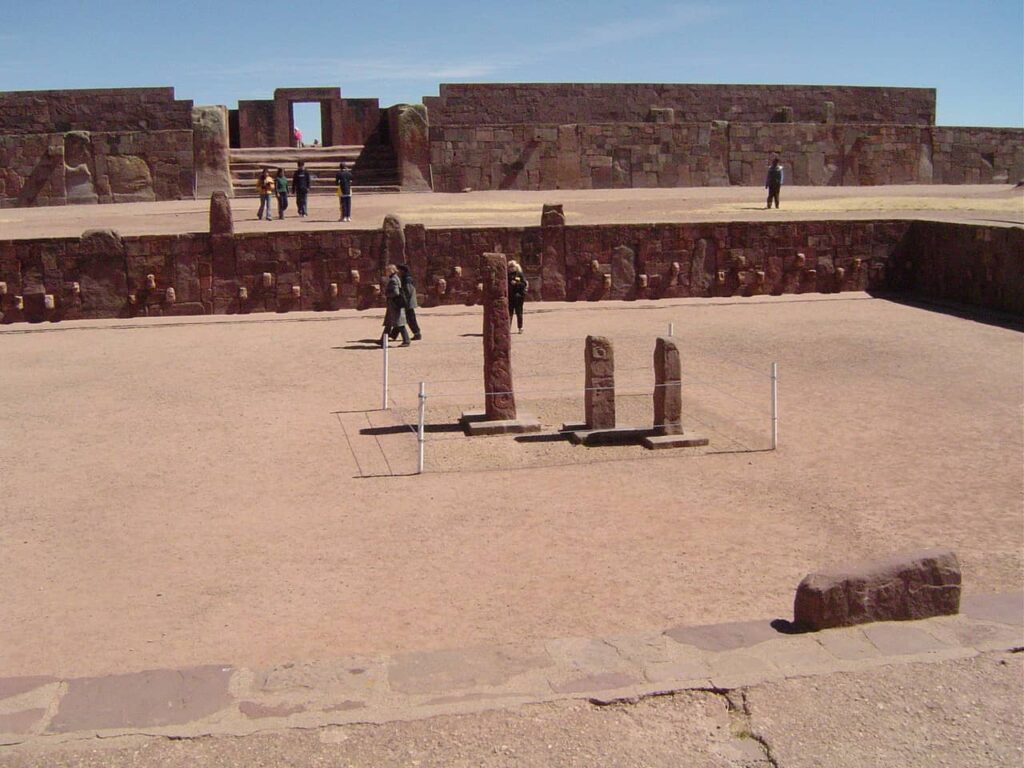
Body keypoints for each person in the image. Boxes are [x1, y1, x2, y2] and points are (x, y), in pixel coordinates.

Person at [381, 264, 410, 346]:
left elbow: (396, 292)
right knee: (389, 323)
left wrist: (387, 294)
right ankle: (382, 340)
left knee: (399, 324)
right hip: (393, 306)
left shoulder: (393, 279)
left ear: (391, 271)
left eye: (387, 270)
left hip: (394, 305)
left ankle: (406, 340)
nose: (386, 272)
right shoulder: (395, 278)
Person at [393, 264, 421, 341]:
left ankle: (417, 333)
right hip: (407, 301)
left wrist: (404, 300)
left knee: (410, 318)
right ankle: (393, 334)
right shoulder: (405, 277)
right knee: (402, 318)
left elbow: (408, 291)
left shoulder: (407, 278)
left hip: (407, 302)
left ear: (402, 270)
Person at [507, 259, 528, 334]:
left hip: (519, 297)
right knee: (509, 313)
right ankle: (507, 328)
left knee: (519, 313)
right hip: (510, 297)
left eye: (512, 266)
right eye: (510, 267)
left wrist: (516, 283)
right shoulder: (507, 275)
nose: (511, 268)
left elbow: (524, 284)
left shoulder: (519, 274)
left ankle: (520, 327)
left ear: (515, 267)